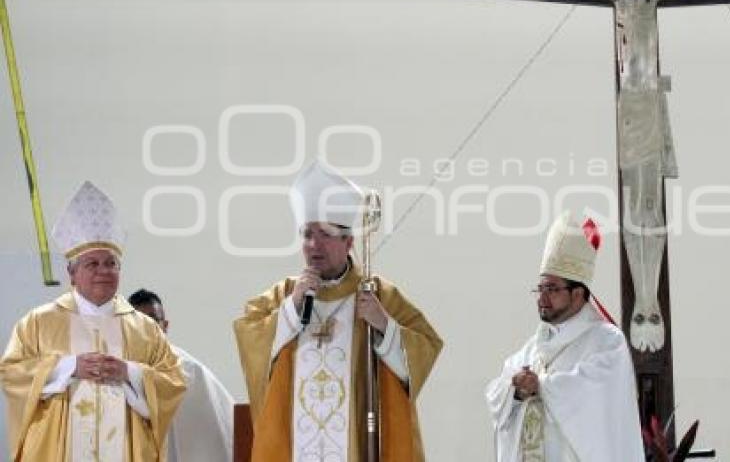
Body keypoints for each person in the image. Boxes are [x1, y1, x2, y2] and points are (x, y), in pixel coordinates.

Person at [439, 0, 730, 352]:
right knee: (635, 209)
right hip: (630, 110)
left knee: (648, 208)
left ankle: (648, 302)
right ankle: (644, 301)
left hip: (649, 105)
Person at [234, 159, 442, 461]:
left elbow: (426, 347)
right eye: (307, 234)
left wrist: (384, 325)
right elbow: (248, 338)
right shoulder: (285, 294)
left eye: (325, 234)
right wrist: (291, 310)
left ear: (348, 242)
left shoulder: (377, 293)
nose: (313, 244)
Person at [0, 181, 186, 461]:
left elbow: (174, 381)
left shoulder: (145, 329)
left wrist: (130, 372)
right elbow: (11, 372)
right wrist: (68, 367)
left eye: (111, 263)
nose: (104, 271)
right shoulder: (39, 322)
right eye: (93, 264)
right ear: (71, 273)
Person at [486, 211, 644, 461]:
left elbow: (594, 394)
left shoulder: (606, 340)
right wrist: (515, 390)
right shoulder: (535, 346)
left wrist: (541, 385)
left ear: (578, 294)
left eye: (552, 289)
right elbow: (496, 395)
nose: (542, 298)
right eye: (540, 288)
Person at [129, 288, 235, 462]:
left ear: (165, 326)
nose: (148, 329)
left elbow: (223, 427)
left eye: (154, 321)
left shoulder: (191, 371)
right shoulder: (117, 370)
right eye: (140, 322)